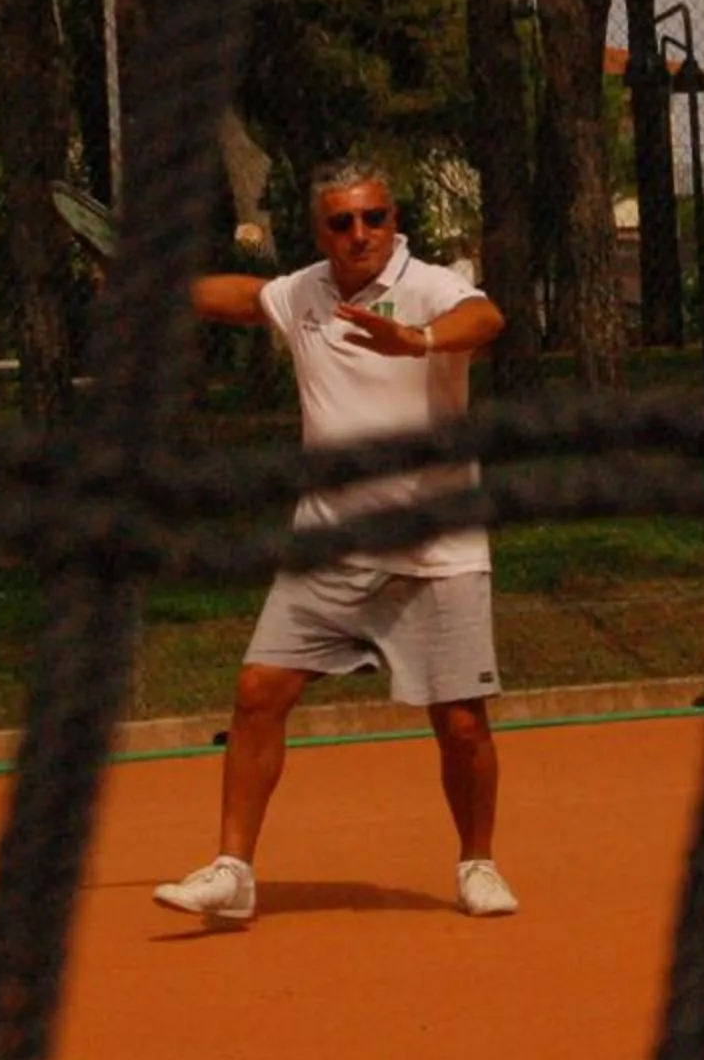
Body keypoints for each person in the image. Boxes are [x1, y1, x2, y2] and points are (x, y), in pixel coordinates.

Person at [154, 160, 515, 924]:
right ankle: (233, 870)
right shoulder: (306, 292)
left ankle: (477, 863)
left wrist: (413, 342)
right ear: (321, 232)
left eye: (374, 218)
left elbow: (486, 320)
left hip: (435, 546)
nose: (361, 234)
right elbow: (245, 299)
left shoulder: (433, 287)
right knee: (257, 695)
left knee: (459, 722)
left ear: (393, 218)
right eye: (343, 223)